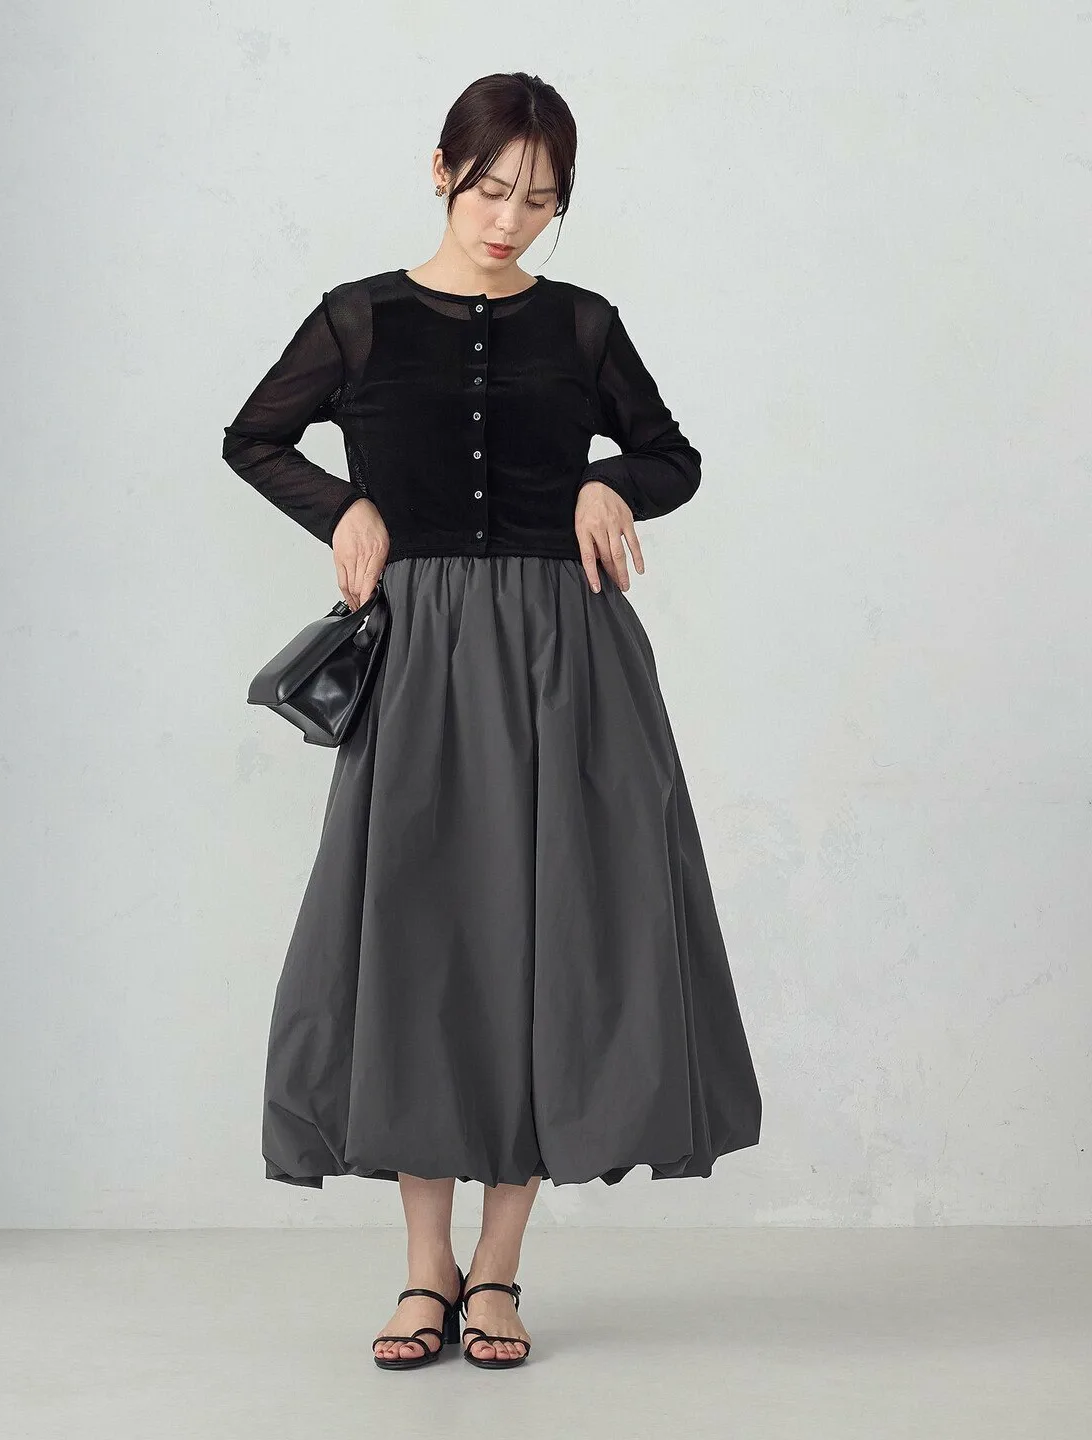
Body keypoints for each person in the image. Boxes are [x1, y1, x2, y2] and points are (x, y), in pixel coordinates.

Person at [221, 71, 762, 1371]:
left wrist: (606, 482)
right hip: (421, 660)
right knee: (422, 945)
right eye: (491, 190)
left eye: (539, 200)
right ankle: (426, 1273)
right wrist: (344, 510)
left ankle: (501, 1272)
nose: (510, 220)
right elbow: (255, 437)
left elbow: (675, 457)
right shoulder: (358, 321)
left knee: (551, 946)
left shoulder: (582, 327)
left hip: (568, 661)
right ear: (441, 172)